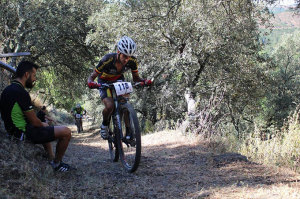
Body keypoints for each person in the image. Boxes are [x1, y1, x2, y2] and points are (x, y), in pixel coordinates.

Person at [0, 61, 72, 172]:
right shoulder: (20, 92)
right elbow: (34, 121)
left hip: (12, 131)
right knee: (66, 132)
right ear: (26, 75)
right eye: (34, 76)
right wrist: (42, 123)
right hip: (21, 133)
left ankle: (51, 158)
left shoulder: (7, 90)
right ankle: (57, 164)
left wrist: (42, 124)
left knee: (44, 127)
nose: (34, 79)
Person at [87, 36, 152, 139]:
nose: (127, 59)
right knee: (109, 106)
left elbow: (136, 78)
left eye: (129, 57)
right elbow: (92, 76)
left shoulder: (132, 61)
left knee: (125, 103)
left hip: (118, 80)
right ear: (118, 52)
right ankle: (104, 125)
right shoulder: (107, 59)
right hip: (104, 81)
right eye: (124, 56)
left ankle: (129, 131)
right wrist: (90, 82)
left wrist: (144, 81)